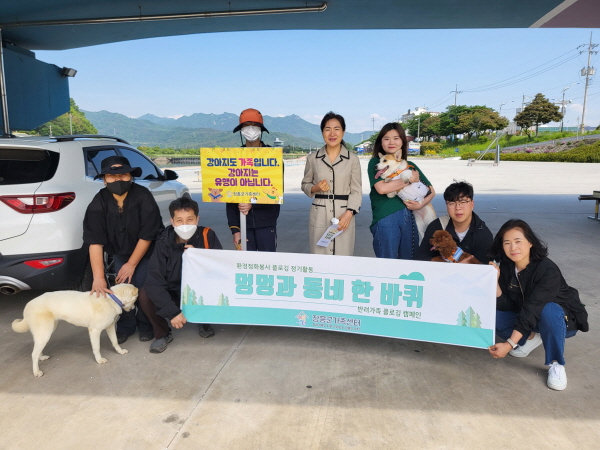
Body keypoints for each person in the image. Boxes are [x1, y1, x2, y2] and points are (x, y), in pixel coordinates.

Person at [488, 219, 588, 391]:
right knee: (493, 315)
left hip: (562, 319)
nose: (513, 248)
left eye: (518, 241)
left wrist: (510, 343)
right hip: (530, 314)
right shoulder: (507, 266)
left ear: (530, 242)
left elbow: (533, 308)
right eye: (507, 243)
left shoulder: (547, 270)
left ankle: (556, 364)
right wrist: (495, 282)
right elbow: (505, 305)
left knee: (548, 309)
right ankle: (533, 337)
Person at [83, 155, 163, 344]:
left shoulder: (143, 196)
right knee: (119, 287)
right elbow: (94, 241)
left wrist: (132, 264)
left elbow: (147, 234)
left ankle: (146, 324)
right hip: (119, 252)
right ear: (104, 179)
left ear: (131, 177)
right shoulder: (98, 202)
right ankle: (126, 326)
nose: (118, 179)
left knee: (141, 287)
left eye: (123, 174)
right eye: (112, 176)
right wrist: (98, 277)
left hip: (147, 250)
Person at [137, 197, 223, 353]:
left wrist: (199, 256)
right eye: (179, 220)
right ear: (172, 221)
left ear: (197, 219)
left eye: (190, 219)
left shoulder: (207, 235)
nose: (185, 224)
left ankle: (204, 321)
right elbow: (154, 279)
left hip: (198, 290)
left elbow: (220, 269)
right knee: (145, 293)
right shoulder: (163, 240)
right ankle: (162, 334)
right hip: (173, 291)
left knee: (213, 288)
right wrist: (173, 312)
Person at [368, 122, 434, 259]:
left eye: (396, 138)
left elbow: (431, 191)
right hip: (386, 217)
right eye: (386, 138)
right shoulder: (377, 162)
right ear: (381, 142)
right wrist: (409, 180)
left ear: (403, 141)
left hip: (410, 218)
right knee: (387, 263)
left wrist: (421, 204)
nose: (391, 142)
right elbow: (382, 188)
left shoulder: (410, 165)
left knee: (409, 263)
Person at [301, 112, 362, 256]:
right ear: (322, 132)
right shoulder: (313, 158)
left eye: (337, 129)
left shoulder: (352, 159)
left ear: (343, 132)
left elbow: (356, 191)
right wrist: (315, 188)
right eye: (327, 129)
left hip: (344, 215)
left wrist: (349, 213)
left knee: (343, 257)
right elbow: (305, 184)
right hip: (319, 214)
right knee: (319, 257)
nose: (332, 133)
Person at [227, 108, 280, 251]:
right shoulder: (234, 158)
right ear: (241, 130)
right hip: (243, 225)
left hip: (266, 223)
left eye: (254, 125)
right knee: (245, 265)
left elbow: (275, 193)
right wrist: (235, 230)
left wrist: (253, 203)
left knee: (266, 264)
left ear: (261, 129)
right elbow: (229, 196)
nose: (250, 129)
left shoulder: (272, 158)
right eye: (246, 125)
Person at [416, 181, 492, 263]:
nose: (458, 208)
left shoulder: (483, 235)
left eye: (463, 202)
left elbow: (485, 268)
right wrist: (444, 263)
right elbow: (421, 258)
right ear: (446, 206)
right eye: (452, 203)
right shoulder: (437, 226)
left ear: (472, 204)